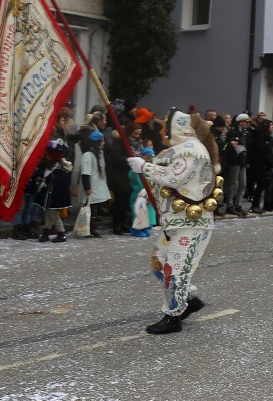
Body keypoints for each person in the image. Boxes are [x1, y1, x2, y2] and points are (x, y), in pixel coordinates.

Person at [127, 109, 219, 335]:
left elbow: (174, 177)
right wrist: (144, 198)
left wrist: (143, 167)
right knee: (159, 263)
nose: (161, 130)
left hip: (190, 223)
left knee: (175, 270)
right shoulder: (175, 150)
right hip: (174, 222)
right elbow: (163, 186)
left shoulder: (194, 151)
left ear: (176, 127)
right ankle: (189, 299)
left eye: (164, 125)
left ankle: (173, 316)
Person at [36, 134, 73, 243]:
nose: (46, 155)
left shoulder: (58, 171)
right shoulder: (50, 168)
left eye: (49, 154)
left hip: (55, 200)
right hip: (50, 199)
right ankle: (46, 233)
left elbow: (58, 188)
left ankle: (62, 234)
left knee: (54, 215)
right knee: (48, 214)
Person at [80, 129, 111, 237]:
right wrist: (87, 188)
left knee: (95, 209)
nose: (103, 143)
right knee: (90, 209)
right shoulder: (88, 155)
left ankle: (91, 228)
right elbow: (85, 173)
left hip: (98, 186)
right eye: (102, 141)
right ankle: (88, 229)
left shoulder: (99, 153)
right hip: (91, 187)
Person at [223, 113, 249, 215]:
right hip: (234, 161)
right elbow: (234, 147)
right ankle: (230, 204)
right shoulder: (233, 132)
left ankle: (237, 204)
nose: (247, 124)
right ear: (241, 122)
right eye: (245, 122)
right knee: (233, 184)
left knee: (242, 184)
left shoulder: (244, 132)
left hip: (242, 161)